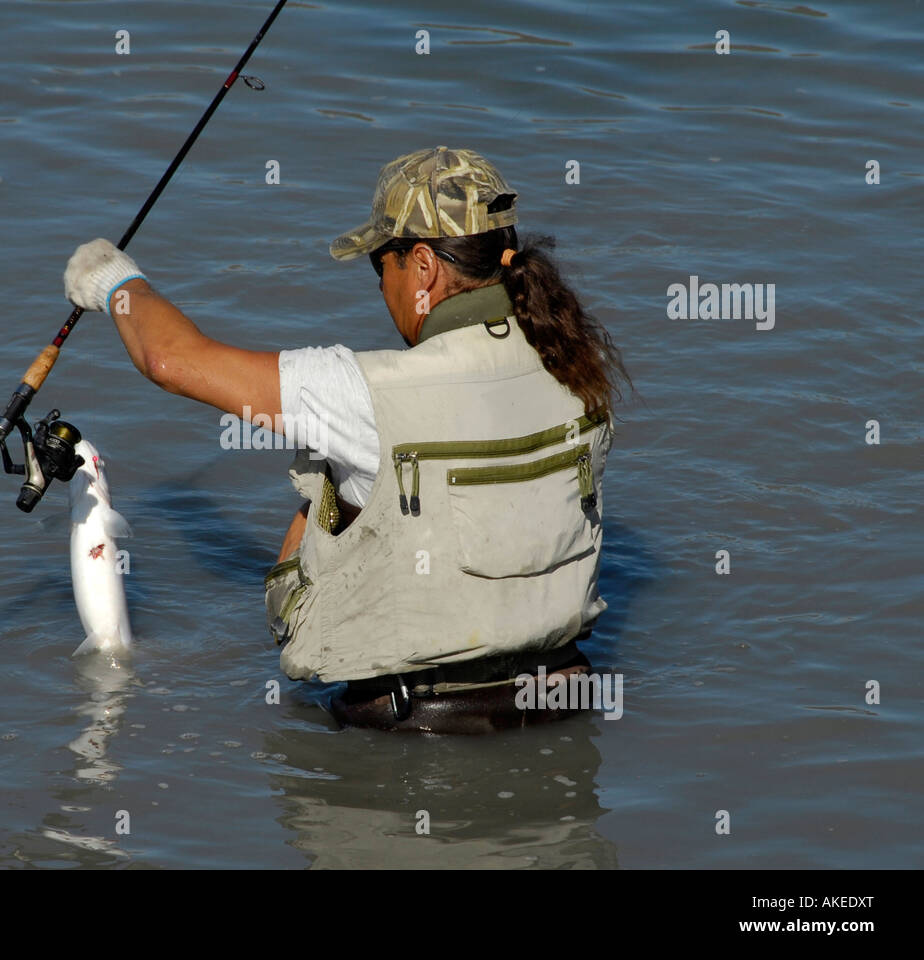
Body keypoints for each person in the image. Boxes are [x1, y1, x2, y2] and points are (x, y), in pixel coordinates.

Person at [63, 146, 630, 734]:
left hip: (409, 744)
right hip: (561, 705)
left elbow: (171, 360)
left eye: (379, 265)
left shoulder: (363, 391)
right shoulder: (578, 366)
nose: (381, 287)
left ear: (423, 267)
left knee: (327, 494)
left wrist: (114, 281)